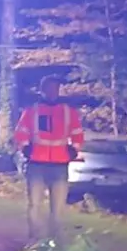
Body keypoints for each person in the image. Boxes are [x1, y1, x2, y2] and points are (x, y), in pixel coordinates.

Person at [14, 75, 84, 242]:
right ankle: (36, 242)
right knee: (34, 206)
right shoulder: (32, 111)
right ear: (42, 90)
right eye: (49, 88)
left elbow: (78, 134)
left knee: (58, 210)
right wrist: (25, 148)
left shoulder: (68, 112)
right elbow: (20, 132)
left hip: (59, 165)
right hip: (36, 164)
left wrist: (74, 150)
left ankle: (56, 243)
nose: (53, 92)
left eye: (55, 88)